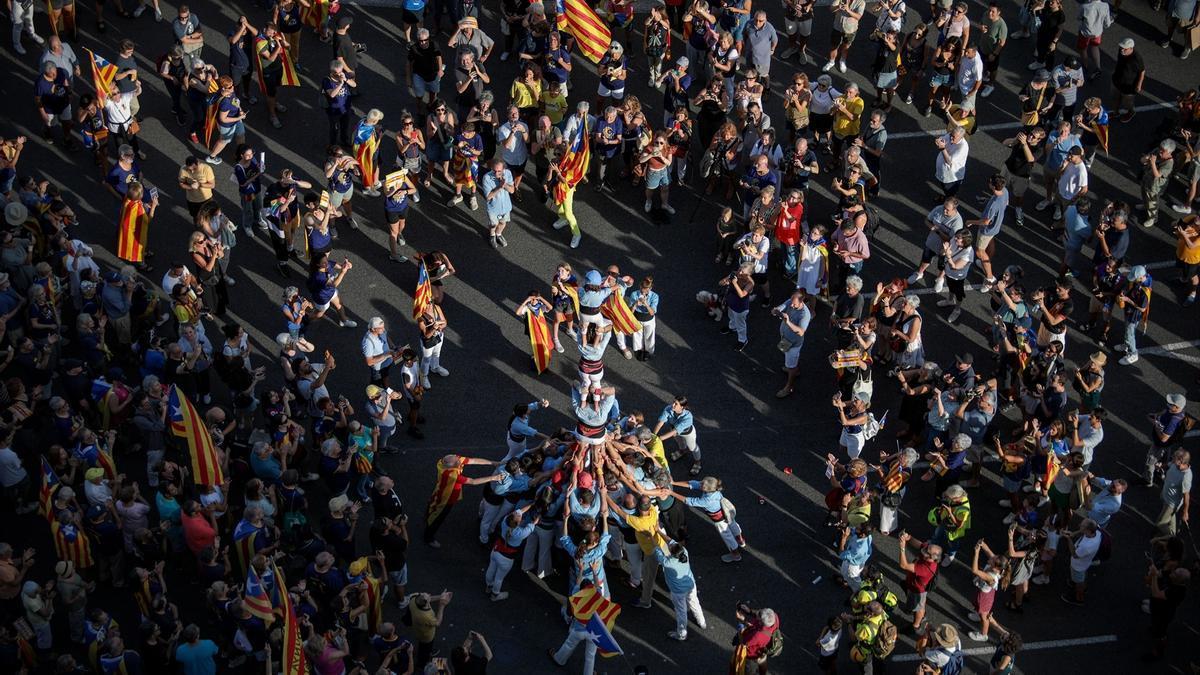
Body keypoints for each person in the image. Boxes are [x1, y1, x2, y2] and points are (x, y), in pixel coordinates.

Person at [1060, 518, 1101, 605]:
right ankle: (1081, 586)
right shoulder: (1097, 533)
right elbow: (1082, 531)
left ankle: (1079, 598)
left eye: (1082, 526)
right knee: (1082, 576)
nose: (1079, 526)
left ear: (1088, 530)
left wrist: (1069, 539)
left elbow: (1074, 554)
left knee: (1079, 582)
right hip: (1085, 563)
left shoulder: (1086, 547)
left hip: (1078, 566)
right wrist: (1074, 534)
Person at [1140, 139, 1176, 228]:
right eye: (1160, 148)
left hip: (1155, 186)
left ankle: (1152, 218)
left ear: (1170, 152)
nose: (1160, 151)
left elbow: (1157, 175)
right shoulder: (1157, 150)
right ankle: (1145, 206)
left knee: (1152, 202)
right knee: (1144, 194)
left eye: (1163, 151)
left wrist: (1152, 163)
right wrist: (1146, 158)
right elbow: (1142, 161)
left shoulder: (1169, 164)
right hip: (1147, 178)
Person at [1157, 449, 1193, 536]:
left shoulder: (1186, 477)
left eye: (1175, 458)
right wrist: (1161, 466)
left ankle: (1171, 538)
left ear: (1181, 461)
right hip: (1165, 494)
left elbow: (1186, 496)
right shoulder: (1175, 464)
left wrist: (1185, 512)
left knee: (1160, 524)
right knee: (1171, 516)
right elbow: (1168, 465)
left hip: (1171, 504)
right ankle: (1173, 532)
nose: (1172, 459)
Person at [481, 159, 515, 248]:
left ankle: (498, 234)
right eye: (494, 171)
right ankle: (492, 235)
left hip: (506, 207)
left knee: (503, 223)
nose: (496, 174)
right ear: (492, 168)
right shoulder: (486, 178)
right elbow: (488, 197)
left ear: (504, 169)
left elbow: (512, 190)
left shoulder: (508, 173)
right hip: (493, 209)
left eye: (499, 171)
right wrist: (499, 187)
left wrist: (504, 185)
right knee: (493, 225)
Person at [1111, 38, 1145, 122]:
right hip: (1116, 81)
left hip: (1129, 86)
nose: (1122, 50)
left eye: (1125, 49)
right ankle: (1115, 113)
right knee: (1115, 98)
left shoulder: (1137, 59)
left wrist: (1139, 85)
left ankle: (1131, 112)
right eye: (1121, 47)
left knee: (1127, 103)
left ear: (1131, 48)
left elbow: (1142, 71)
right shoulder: (1121, 51)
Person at [933, 126, 969, 200]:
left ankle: (948, 201)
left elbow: (949, 162)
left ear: (961, 137)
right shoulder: (951, 135)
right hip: (944, 173)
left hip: (951, 178)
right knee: (945, 188)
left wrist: (942, 149)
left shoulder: (963, 147)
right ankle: (946, 197)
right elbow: (942, 139)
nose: (951, 139)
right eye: (951, 136)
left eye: (954, 137)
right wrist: (938, 141)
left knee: (950, 193)